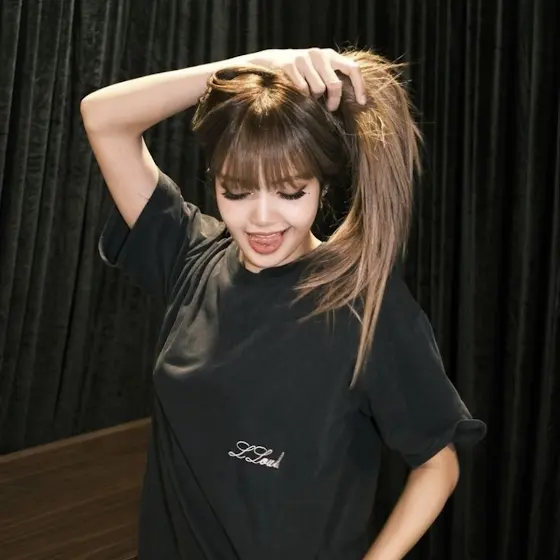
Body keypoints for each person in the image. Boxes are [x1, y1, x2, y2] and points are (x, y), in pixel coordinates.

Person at [81, 47, 486, 560]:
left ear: (321, 186)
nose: (262, 219)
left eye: (290, 192)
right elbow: (103, 117)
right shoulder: (189, 256)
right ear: (215, 181)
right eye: (237, 191)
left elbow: (437, 463)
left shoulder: (366, 308)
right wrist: (260, 65)